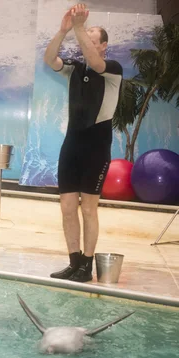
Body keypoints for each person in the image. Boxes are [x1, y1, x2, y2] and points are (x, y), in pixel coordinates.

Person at [43, 4, 123, 282]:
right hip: (72, 144)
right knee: (67, 207)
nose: (85, 39)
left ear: (103, 46)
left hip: (96, 146)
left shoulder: (112, 70)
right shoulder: (74, 69)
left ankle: (87, 265)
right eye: (84, 34)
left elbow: (97, 64)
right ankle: (74, 261)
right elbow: (49, 58)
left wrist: (78, 27)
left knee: (88, 208)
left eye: (91, 36)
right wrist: (63, 30)